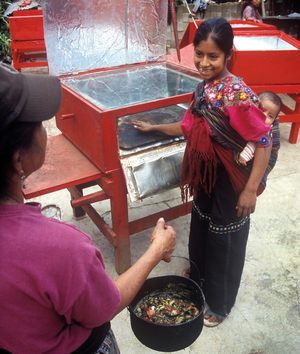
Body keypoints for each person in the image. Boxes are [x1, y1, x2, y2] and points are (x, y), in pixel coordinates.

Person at [0, 63, 177, 353]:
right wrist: (156, 250)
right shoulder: (61, 247)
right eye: (39, 125)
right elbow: (102, 309)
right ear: (18, 160)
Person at [133, 17, 273, 327]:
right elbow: (188, 127)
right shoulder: (203, 88)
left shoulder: (236, 94)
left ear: (228, 55)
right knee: (202, 222)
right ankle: (199, 275)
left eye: (213, 56)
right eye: (199, 54)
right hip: (208, 172)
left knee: (226, 236)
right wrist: (154, 126)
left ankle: (221, 303)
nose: (204, 62)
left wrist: (250, 190)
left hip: (232, 179)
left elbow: (263, 140)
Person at [237, 91, 281, 166]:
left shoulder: (265, 130)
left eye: (270, 116)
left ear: (274, 120)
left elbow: (255, 143)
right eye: (262, 110)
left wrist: (244, 156)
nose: (264, 115)